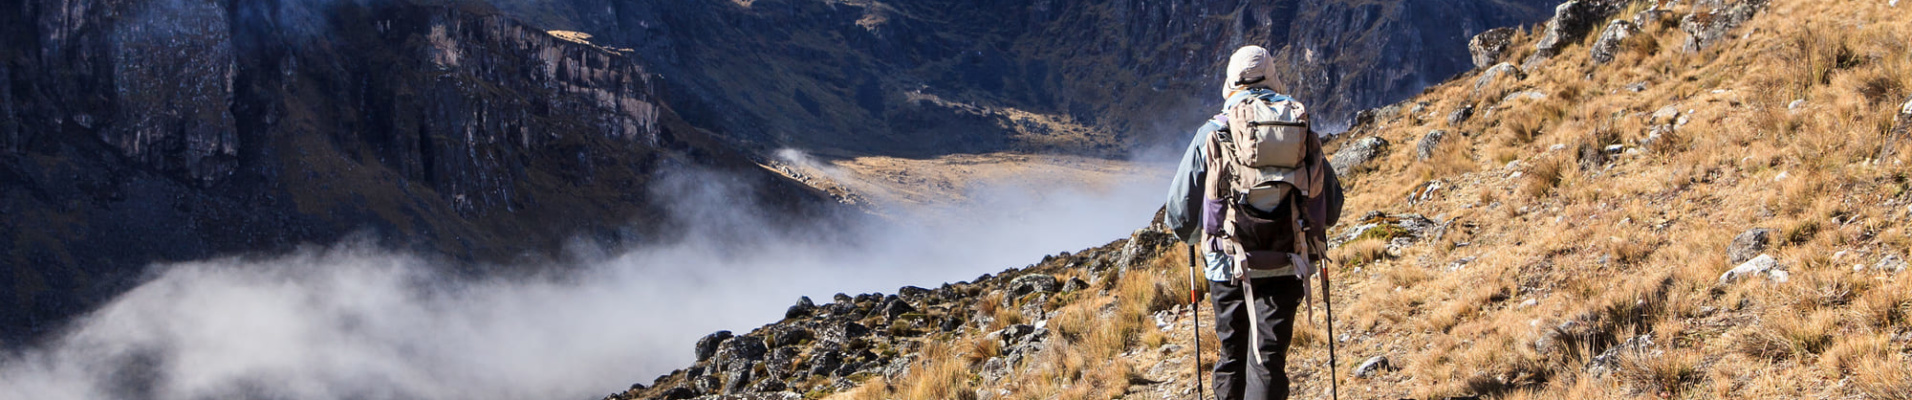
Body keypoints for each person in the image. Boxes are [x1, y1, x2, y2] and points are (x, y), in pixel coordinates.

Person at [1164, 45, 1343, 400]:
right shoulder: (1297, 128)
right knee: (1269, 359)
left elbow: (1181, 215)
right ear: (1273, 78)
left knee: (1232, 356)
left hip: (1228, 265)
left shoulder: (1213, 131)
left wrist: (1201, 236)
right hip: (1288, 259)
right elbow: (1332, 207)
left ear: (1231, 83)